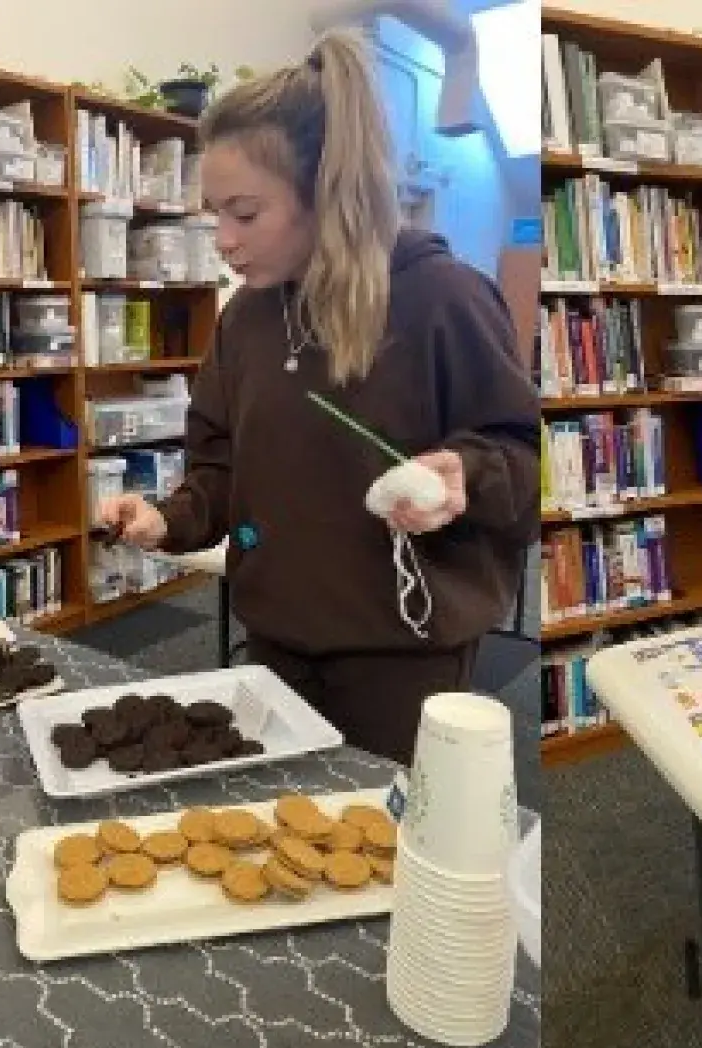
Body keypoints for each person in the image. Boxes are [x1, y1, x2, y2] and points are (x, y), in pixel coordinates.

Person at [96, 29, 540, 765]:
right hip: (275, 641)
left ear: (325, 192)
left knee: (384, 852)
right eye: (214, 215)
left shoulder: (443, 299)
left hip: (402, 657)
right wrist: (165, 519)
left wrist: (468, 475)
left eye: (245, 213)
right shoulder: (245, 319)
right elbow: (222, 471)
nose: (224, 240)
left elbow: (522, 459)